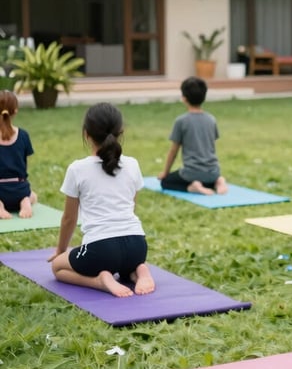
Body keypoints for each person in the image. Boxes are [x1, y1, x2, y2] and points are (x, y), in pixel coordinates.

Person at [49, 103, 155, 297]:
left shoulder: (77, 169)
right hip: (138, 246)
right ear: (120, 132)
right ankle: (139, 269)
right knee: (125, 263)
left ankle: (100, 281)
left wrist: (61, 251)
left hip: (101, 250)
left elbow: (69, 219)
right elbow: (132, 206)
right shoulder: (133, 164)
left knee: (57, 268)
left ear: (86, 134)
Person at [158, 76, 227, 195]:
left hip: (191, 173)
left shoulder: (181, 121)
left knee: (166, 183)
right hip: (213, 172)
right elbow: (211, 146)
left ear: (184, 98)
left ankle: (193, 187)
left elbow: (173, 151)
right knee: (207, 178)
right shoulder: (211, 119)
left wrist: (165, 173)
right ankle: (218, 181)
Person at [0, 90, 37, 219]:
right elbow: (25, 168)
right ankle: (24, 201)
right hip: (20, 189)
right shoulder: (23, 135)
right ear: (15, 111)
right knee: (33, 196)